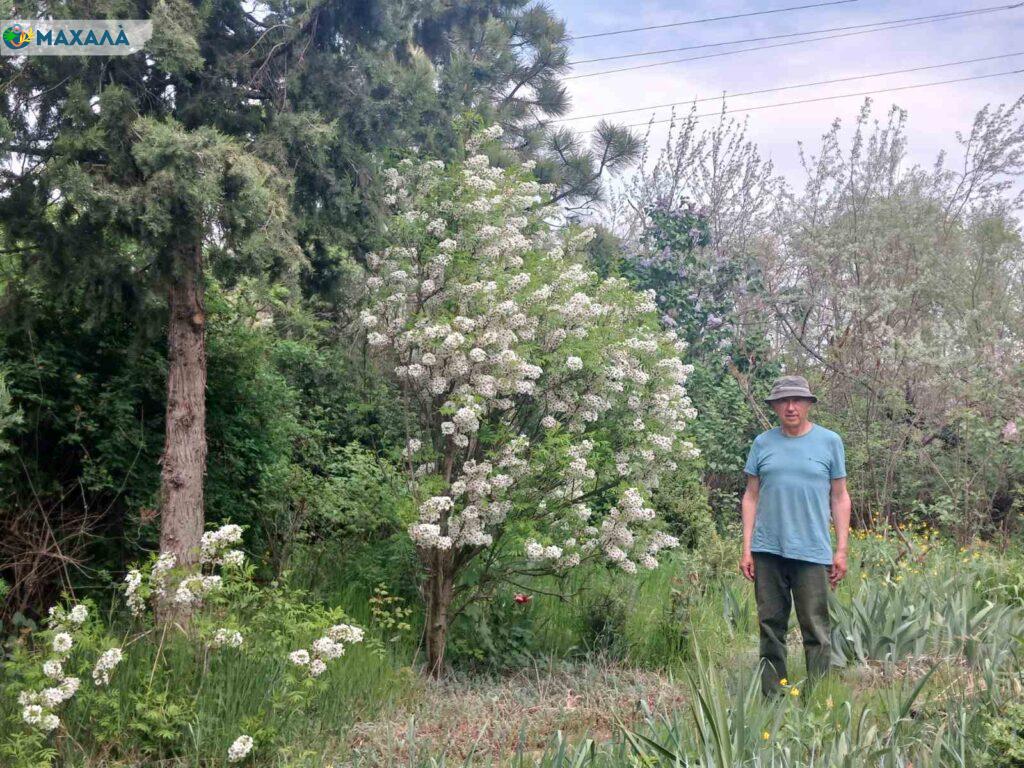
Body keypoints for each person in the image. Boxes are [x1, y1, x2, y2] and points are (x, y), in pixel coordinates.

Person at [739, 374, 851, 698]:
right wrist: (746, 548)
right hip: (768, 550)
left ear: (808, 404)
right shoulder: (762, 443)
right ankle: (773, 697)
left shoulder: (830, 442)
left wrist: (841, 549)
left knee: (816, 629)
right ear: (775, 406)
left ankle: (818, 700)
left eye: (797, 400)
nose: (790, 407)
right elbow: (751, 495)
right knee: (770, 627)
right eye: (783, 401)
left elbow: (840, 497)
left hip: (812, 551)